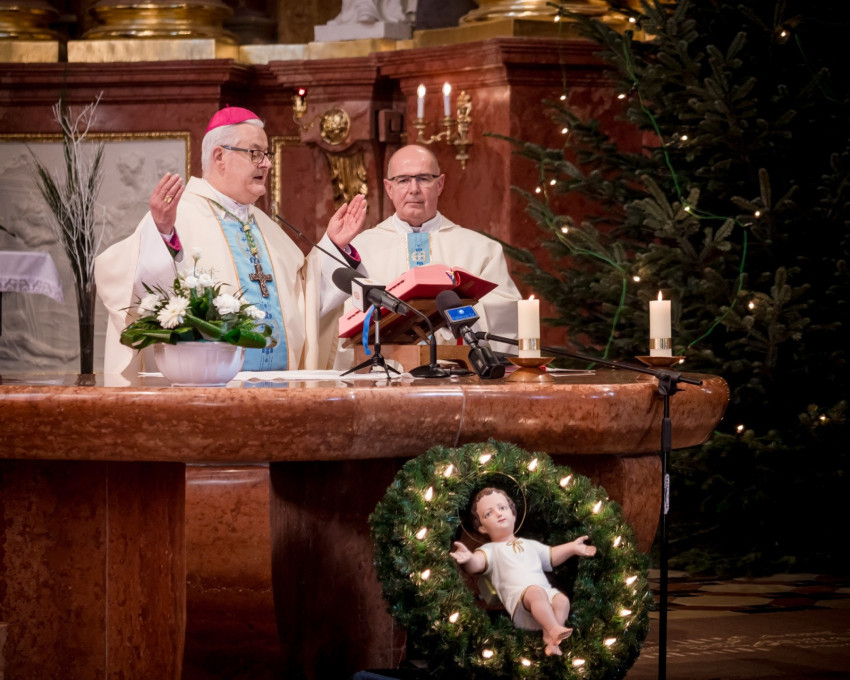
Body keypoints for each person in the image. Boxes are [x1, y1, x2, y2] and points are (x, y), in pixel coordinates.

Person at [96, 106, 367, 381]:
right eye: (255, 153)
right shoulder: (178, 217)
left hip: (282, 389)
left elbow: (305, 302)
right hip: (206, 391)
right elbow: (133, 288)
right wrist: (162, 235)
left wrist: (334, 247)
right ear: (220, 156)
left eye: (267, 154)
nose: (266, 164)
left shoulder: (267, 227)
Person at [337, 144, 522, 367]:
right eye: (403, 180)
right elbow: (343, 316)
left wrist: (446, 320)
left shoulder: (482, 249)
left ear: (440, 184)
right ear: (389, 188)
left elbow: (505, 311)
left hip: (460, 375)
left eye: (423, 178)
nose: (414, 189)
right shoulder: (360, 249)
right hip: (384, 374)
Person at [449, 486, 597, 657]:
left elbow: (551, 556)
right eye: (488, 514)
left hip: (544, 594)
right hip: (519, 600)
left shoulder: (529, 544)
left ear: (513, 514)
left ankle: (552, 640)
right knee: (535, 591)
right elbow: (476, 564)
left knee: (562, 600)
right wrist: (468, 558)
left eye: (502, 508)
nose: (498, 514)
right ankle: (553, 628)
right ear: (482, 527)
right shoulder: (490, 550)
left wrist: (572, 547)